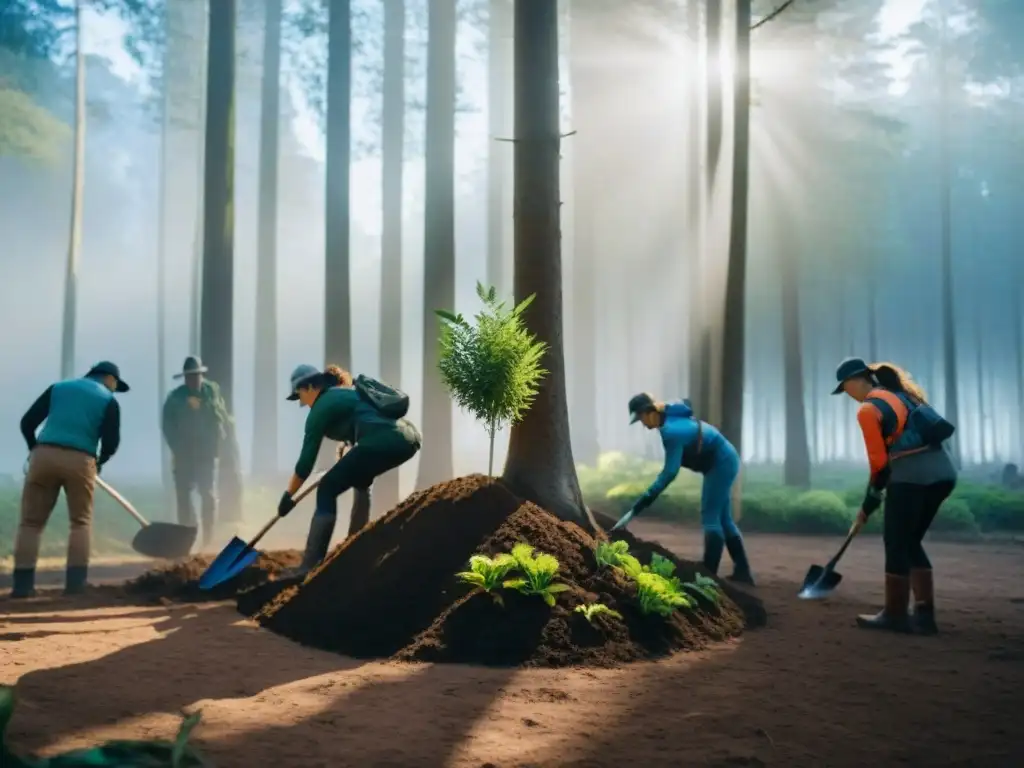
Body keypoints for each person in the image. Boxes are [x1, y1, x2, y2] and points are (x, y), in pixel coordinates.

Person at [833, 357, 957, 635]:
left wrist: (868, 502)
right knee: (910, 540)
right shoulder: (904, 395)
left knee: (896, 542)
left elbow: (879, 465)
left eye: (845, 388)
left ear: (855, 381)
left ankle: (895, 614)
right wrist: (874, 498)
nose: (848, 395)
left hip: (911, 477)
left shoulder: (868, 409)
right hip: (943, 474)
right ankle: (925, 616)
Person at [278, 364, 421, 573]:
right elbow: (362, 423)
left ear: (309, 386)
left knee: (327, 488)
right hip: (407, 439)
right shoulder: (344, 394)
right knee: (361, 479)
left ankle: (308, 566)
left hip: (383, 440)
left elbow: (305, 464)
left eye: (299, 395)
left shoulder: (321, 406)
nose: (301, 402)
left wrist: (288, 496)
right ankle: (355, 548)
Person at [10, 361, 128, 598]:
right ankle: (75, 586)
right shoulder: (108, 400)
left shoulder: (58, 388)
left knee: (31, 523)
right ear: (110, 379)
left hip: (44, 455)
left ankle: (22, 586)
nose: (115, 389)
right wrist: (99, 462)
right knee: (80, 522)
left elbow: (27, 422)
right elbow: (111, 443)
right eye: (116, 385)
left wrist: (35, 449)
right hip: (80, 460)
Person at [612, 393, 755, 585]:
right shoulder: (669, 419)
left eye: (641, 418)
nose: (644, 425)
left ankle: (708, 576)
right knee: (724, 519)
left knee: (711, 516)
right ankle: (743, 572)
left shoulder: (671, 432)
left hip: (721, 463)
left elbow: (669, 473)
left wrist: (644, 500)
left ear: (650, 412)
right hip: (724, 459)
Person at [161, 355, 231, 548]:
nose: (193, 380)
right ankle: (187, 536)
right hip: (183, 455)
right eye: (189, 377)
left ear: (201, 375)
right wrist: (178, 448)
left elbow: (220, 420)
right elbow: (167, 427)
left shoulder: (211, 392)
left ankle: (208, 538)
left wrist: (220, 447)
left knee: (207, 494)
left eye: (196, 376)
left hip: (206, 455)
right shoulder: (175, 398)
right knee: (183, 496)